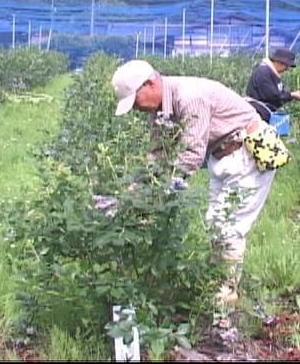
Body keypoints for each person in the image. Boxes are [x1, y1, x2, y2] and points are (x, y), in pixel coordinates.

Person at [112, 59, 278, 305]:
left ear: (149, 84)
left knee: (228, 225)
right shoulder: (161, 109)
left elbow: (191, 153)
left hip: (248, 154)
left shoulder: (190, 96)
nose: (136, 108)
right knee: (215, 221)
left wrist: (165, 192)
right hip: (224, 156)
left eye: (135, 101)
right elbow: (159, 152)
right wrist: (137, 186)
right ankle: (217, 278)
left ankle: (226, 292)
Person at [245, 48, 300, 123]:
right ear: (279, 62)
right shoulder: (263, 72)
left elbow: (278, 93)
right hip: (258, 113)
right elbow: (273, 95)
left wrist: (291, 95)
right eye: (287, 65)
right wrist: (292, 95)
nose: (287, 69)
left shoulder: (272, 73)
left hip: (263, 112)